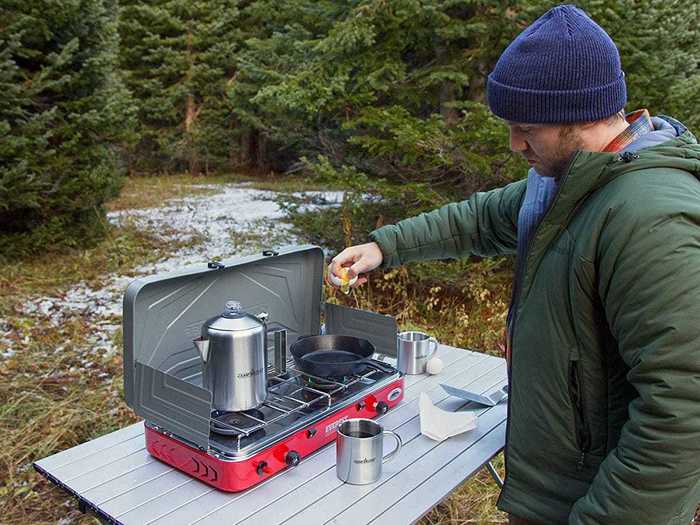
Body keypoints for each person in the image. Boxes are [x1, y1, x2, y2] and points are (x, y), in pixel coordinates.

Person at [328, 5, 700, 524]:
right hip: (553, 483)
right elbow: (478, 220)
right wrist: (385, 248)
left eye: (526, 128)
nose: (514, 144)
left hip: (598, 499)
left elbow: (681, 411)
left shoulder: (648, 216)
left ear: (584, 114)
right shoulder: (565, 181)